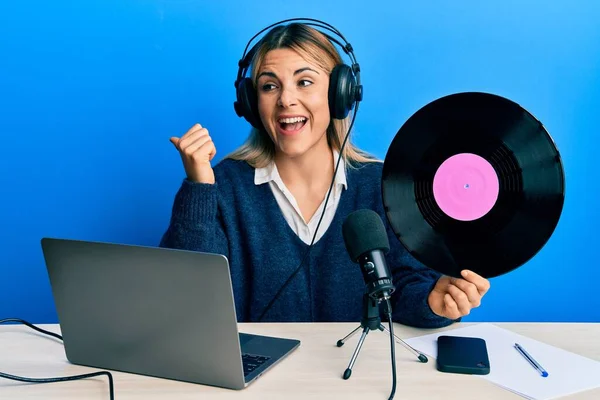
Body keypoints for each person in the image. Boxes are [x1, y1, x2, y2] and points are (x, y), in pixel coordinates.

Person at [159, 21, 490, 328]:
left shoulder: (380, 185)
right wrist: (200, 187)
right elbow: (189, 302)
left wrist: (433, 302)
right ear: (250, 103)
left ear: (340, 95)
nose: (286, 99)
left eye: (304, 82)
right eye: (269, 86)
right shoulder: (225, 186)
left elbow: (404, 289)